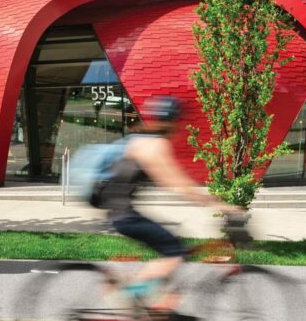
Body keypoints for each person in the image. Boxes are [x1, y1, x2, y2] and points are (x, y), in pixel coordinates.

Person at [100, 96, 238, 315]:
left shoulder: (144, 140)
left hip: (120, 211)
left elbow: (175, 182)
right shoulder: (155, 145)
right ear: (173, 122)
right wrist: (220, 205)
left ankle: (154, 304)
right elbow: (177, 184)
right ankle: (129, 295)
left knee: (173, 247)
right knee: (174, 250)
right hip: (123, 215)